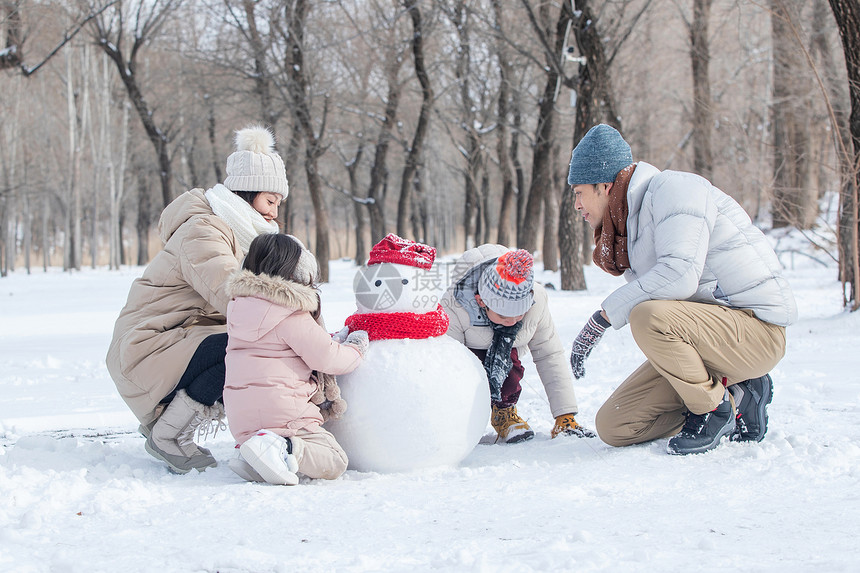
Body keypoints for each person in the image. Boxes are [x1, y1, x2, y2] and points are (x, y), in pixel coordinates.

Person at [566, 123, 797, 455]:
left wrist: (602, 318)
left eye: (578, 192)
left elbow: (681, 274)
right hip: (710, 340)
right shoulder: (631, 225)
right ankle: (738, 396)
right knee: (616, 426)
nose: (576, 205)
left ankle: (712, 409)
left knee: (647, 316)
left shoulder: (674, 189)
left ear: (603, 185)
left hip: (756, 332)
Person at [106, 125, 289, 474]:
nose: (274, 213)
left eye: (278, 203)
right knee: (249, 348)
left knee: (254, 342)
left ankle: (167, 425)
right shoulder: (204, 230)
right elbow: (233, 295)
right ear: (247, 194)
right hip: (147, 348)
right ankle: (169, 435)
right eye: (270, 200)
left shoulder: (238, 234)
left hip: (176, 341)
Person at [222, 233, 368, 485]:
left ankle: (255, 453)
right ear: (292, 270)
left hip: (241, 417)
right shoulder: (289, 313)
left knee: (272, 442)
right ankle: (283, 448)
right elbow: (328, 357)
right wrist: (356, 348)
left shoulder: (238, 308)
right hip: (283, 414)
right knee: (334, 459)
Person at [441, 246, 594, 443]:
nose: (512, 321)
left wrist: (565, 415)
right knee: (469, 372)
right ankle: (463, 420)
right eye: (503, 315)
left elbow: (549, 354)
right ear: (481, 301)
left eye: (519, 314)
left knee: (510, 362)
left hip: (507, 355)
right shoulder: (455, 305)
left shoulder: (536, 300)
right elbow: (449, 366)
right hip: (467, 356)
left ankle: (504, 412)